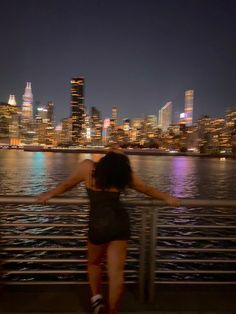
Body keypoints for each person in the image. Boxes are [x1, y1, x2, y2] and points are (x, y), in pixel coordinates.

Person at [37, 149, 179, 314]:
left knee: (94, 263)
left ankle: (97, 301)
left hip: (99, 224)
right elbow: (145, 188)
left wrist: (49, 194)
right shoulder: (122, 173)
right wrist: (167, 197)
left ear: (104, 160)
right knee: (116, 274)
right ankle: (113, 311)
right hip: (120, 222)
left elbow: (67, 184)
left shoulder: (87, 167)